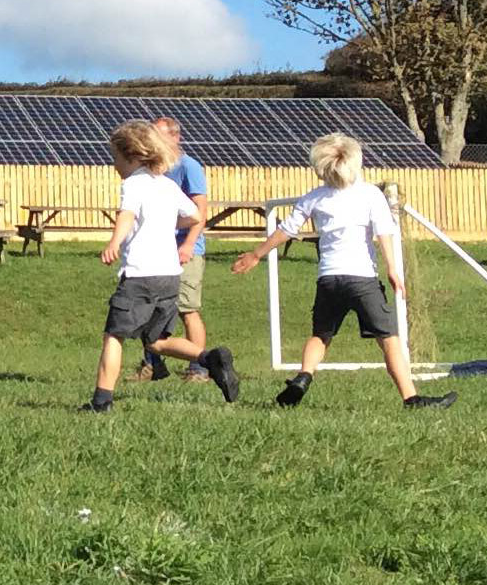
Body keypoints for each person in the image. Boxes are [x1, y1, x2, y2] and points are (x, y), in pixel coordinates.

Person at [230, 133, 455, 411]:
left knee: (321, 335)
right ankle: (411, 398)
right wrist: (393, 269)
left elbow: (287, 229)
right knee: (389, 339)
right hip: (362, 279)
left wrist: (256, 254)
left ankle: (303, 376)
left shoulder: (314, 197)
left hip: (328, 279)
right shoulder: (371, 194)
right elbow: (384, 233)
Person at [82, 121, 213, 413]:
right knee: (156, 339)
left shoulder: (133, 183)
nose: (114, 164)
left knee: (114, 335)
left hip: (141, 274)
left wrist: (114, 242)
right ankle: (211, 359)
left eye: (115, 157)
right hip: (170, 276)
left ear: (131, 155)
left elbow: (126, 215)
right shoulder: (166, 183)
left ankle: (101, 402)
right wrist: (168, 225)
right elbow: (195, 217)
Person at [128, 118, 238, 400]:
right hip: (159, 251)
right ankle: (153, 366)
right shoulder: (155, 171)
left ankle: (199, 369)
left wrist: (189, 244)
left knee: (187, 309)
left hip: (184, 250)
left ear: (176, 138)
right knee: (149, 312)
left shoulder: (189, 167)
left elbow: (199, 212)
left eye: (158, 136)